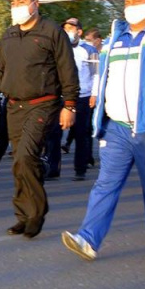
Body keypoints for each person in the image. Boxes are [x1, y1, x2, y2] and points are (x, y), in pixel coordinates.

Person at [61, 0, 145, 261]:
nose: (131, 6)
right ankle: (88, 238)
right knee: (105, 183)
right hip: (116, 126)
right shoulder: (114, 39)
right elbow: (104, 77)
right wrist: (100, 110)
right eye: (128, 1)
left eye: (138, 0)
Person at [0, 0, 78, 238]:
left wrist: (70, 105)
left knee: (25, 157)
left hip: (43, 103)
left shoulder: (52, 32)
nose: (17, 7)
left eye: (22, 1)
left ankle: (37, 213)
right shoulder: (9, 34)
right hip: (13, 106)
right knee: (19, 163)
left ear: (35, 4)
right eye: (13, 2)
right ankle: (22, 214)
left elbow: (67, 69)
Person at [57, 17, 98, 181]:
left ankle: (80, 168)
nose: (67, 31)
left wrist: (94, 94)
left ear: (79, 32)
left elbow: (96, 73)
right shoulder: (59, 48)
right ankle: (53, 168)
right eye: (65, 28)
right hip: (61, 96)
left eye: (70, 28)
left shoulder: (89, 50)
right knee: (54, 133)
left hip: (83, 97)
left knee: (81, 133)